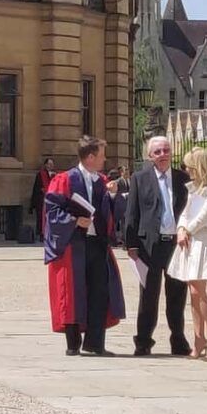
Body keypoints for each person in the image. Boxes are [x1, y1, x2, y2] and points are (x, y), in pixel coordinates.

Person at [44, 136, 125, 356]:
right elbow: (52, 211)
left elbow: (114, 214)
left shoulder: (102, 181)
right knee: (72, 291)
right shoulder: (64, 179)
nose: (104, 159)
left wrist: (113, 195)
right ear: (90, 157)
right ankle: (73, 344)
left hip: (97, 244)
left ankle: (95, 343)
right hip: (73, 244)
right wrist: (74, 221)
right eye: (101, 155)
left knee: (100, 291)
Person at [125, 136, 191, 357]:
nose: (163, 154)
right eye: (158, 152)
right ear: (150, 156)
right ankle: (143, 341)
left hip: (176, 244)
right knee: (149, 296)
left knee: (177, 295)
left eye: (166, 150)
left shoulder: (183, 179)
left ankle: (178, 339)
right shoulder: (140, 178)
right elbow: (131, 212)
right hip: (149, 245)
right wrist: (130, 243)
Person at [167, 147, 207, 361]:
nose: (187, 170)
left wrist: (188, 230)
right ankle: (199, 338)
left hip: (204, 240)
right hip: (190, 240)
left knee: (200, 291)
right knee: (192, 292)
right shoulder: (195, 187)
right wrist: (182, 229)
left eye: (189, 166)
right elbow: (186, 211)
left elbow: (205, 214)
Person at [30, 158, 55, 242]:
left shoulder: (54, 175)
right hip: (42, 200)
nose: (51, 166)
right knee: (41, 218)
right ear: (45, 165)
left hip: (51, 201)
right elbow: (37, 188)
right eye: (49, 164)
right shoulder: (40, 175)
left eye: (52, 164)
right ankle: (41, 234)